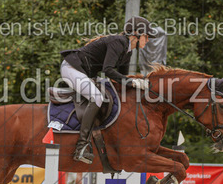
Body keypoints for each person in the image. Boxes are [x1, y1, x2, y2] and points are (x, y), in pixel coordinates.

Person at [60, 16, 158, 164]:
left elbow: (121, 79)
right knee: (97, 97)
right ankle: (81, 147)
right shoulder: (118, 42)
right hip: (72, 69)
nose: (148, 39)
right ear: (136, 34)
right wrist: (132, 82)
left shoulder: (128, 51)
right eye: (147, 36)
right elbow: (108, 70)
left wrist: (139, 85)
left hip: (84, 73)